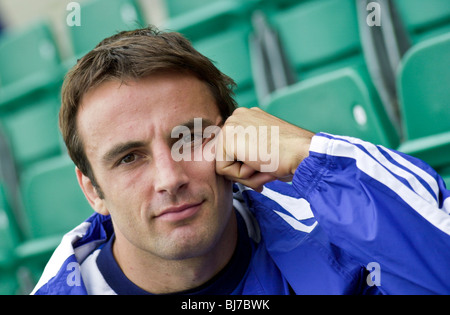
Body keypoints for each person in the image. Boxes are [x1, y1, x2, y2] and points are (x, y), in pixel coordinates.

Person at [32, 27, 450, 295]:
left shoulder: (335, 241)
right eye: (129, 158)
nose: (169, 177)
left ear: (233, 137)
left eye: (190, 138)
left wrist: (312, 159)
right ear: (92, 190)